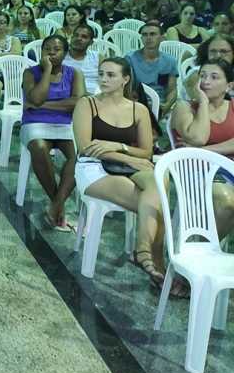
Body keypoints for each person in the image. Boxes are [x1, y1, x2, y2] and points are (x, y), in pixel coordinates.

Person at [72, 58, 185, 295]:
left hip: (128, 164)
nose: (103, 79)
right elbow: (85, 147)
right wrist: (128, 158)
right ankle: (156, 266)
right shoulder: (87, 104)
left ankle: (142, 251)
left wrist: (119, 148)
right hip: (93, 168)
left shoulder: (139, 109)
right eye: (102, 74)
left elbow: (146, 150)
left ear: (125, 79)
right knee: (158, 208)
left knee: (157, 186)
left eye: (111, 75)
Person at [21, 35, 85, 231]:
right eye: (46, 48)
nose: (50, 53)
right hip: (35, 122)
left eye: (56, 49)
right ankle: (57, 203)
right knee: (39, 148)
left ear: (65, 53)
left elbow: (78, 102)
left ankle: (56, 205)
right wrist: (47, 71)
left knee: (81, 156)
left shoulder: (75, 73)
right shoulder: (30, 73)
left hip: (66, 125)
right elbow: (36, 98)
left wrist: (43, 105)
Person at [171, 59, 234, 243]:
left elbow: (200, 145)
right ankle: (201, 255)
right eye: (203, 76)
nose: (206, 81)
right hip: (197, 169)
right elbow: (198, 138)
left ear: (229, 85)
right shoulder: (185, 107)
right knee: (227, 202)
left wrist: (206, 150)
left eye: (214, 77)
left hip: (228, 167)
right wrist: (204, 102)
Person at [127, 21, 178, 117]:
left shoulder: (170, 61)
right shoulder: (130, 59)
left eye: (153, 34)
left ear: (162, 38)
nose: (149, 38)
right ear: (141, 38)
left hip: (160, 105)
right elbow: (126, 87)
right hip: (136, 103)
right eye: (145, 35)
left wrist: (167, 105)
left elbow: (172, 89)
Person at [64, 24, 100, 94]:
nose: (79, 38)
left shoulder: (97, 57)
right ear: (71, 37)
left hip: (95, 97)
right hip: (69, 96)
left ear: (91, 42)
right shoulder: (61, 56)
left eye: (84, 37)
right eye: (76, 35)